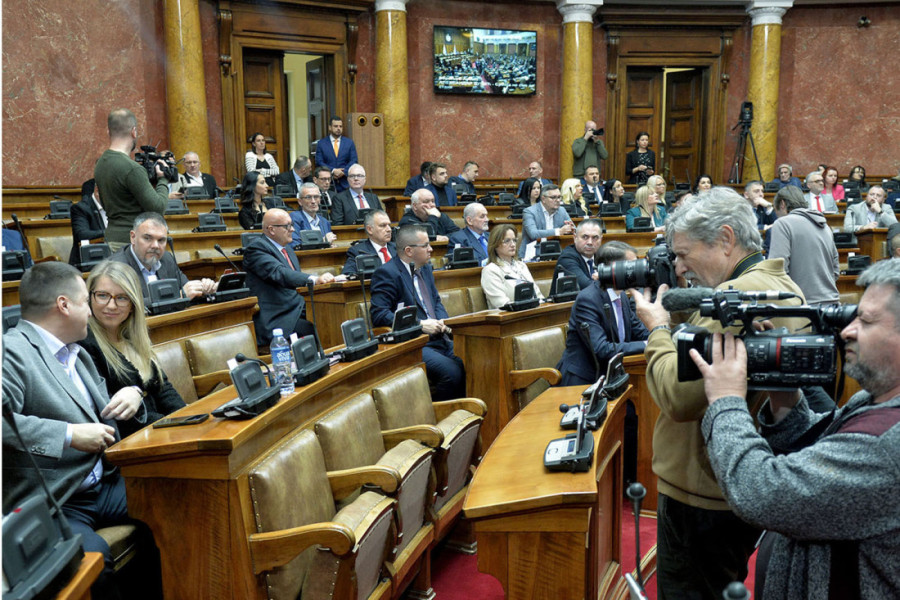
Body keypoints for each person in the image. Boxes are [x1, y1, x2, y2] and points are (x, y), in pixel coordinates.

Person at [630, 188, 808, 600]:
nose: (679, 265)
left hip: (702, 495)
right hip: (725, 486)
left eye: (685, 253)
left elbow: (679, 395)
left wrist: (657, 328)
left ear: (726, 239)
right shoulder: (773, 283)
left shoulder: (738, 301)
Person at [690, 259, 900, 600]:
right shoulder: (874, 401)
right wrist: (783, 396)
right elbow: (823, 447)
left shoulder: (887, 445)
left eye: (866, 320)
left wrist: (726, 400)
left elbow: (760, 492)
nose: (847, 330)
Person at [2, 262, 160, 599]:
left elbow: (108, 419)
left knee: (178, 502)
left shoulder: (78, 354)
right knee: (94, 562)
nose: (92, 311)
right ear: (63, 304)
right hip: (57, 501)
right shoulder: (11, 351)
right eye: (87, 301)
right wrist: (69, 435)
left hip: (105, 483)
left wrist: (134, 394)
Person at [81, 261, 185, 438]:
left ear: (132, 304)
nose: (111, 305)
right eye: (103, 295)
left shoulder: (132, 337)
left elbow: (163, 389)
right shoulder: (86, 344)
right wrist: (173, 428)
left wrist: (188, 419)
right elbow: (115, 415)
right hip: (134, 442)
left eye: (122, 298)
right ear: (90, 297)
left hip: (161, 432)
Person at [370, 224, 465, 400]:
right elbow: (379, 314)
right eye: (426, 245)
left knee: (471, 361)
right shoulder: (387, 273)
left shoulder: (426, 269)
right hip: (414, 343)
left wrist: (444, 322)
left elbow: (435, 301)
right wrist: (419, 324)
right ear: (409, 251)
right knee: (451, 372)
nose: (431, 249)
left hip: (440, 337)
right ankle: (444, 416)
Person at [557, 240, 648, 386]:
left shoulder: (622, 296)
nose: (637, 272)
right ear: (614, 270)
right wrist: (648, 343)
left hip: (611, 377)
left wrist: (662, 336)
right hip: (584, 382)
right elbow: (602, 349)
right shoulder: (587, 300)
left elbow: (639, 330)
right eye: (632, 266)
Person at [242, 208, 335, 347]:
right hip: (278, 317)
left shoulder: (288, 250)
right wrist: (314, 279)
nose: (292, 229)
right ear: (271, 230)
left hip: (296, 308)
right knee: (311, 327)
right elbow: (280, 273)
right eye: (287, 226)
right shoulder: (256, 248)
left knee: (329, 314)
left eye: (292, 225)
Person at [94, 108, 171, 250]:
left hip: (111, 239)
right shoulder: (132, 168)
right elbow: (158, 208)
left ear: (108, 132)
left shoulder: (101, 162)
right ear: (133, 131)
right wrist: (163, 179)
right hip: (132, 245)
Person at [768, 185, 840, 307]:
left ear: (782, 204)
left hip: (802, 307)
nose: (777, 216)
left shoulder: (782, 223)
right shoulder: (825, 226)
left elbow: (777, 269)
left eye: (776, 212)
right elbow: (836, 270)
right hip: (832, 305)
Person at [481, 224, 543, 309]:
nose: (513, 244)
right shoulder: (491, 270)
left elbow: (538, 295)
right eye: (507, 241)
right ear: (495, 244)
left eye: (514, 240)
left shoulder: (521, 265)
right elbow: (501, 304)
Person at [519, 184, 575, 259]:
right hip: (533, 254)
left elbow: (575, 230)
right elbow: (533, 234)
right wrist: (559, 231)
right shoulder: (529, 212)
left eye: (559, 197)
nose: (558, 200)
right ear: (543, 199)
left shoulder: (562, 210)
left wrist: (571, 229)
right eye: (553, 197)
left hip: (556, 253)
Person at [341, 209, 396, 276]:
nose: (389, 229)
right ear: (369, 229)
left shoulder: (398, 248)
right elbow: (348, 274)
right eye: (383, 225)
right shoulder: (358, 252)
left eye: (389, 225)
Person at [554, 218, 604, 290]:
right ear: (575, 238)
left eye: (595, 238)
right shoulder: (567, 258)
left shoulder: (602, 256)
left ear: (601, 239)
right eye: (585, 237)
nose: (590, 242)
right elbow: (587, 287)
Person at [69, 178, 107, 265]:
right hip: (88, 263)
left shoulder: (117, 207)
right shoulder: (81, 208)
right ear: (97, 191)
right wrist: (110, 232)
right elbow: (82, 235)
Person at [315, 116, 358, 193]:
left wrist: (343, 172)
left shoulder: (349, 143)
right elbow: (319, 162)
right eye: (336, 126)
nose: (338, 128)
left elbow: (354, 160)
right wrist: (333, 171)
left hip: (345, 183)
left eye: (340, 126)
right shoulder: (321, 143)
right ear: (330, 127)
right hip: (328, 184)